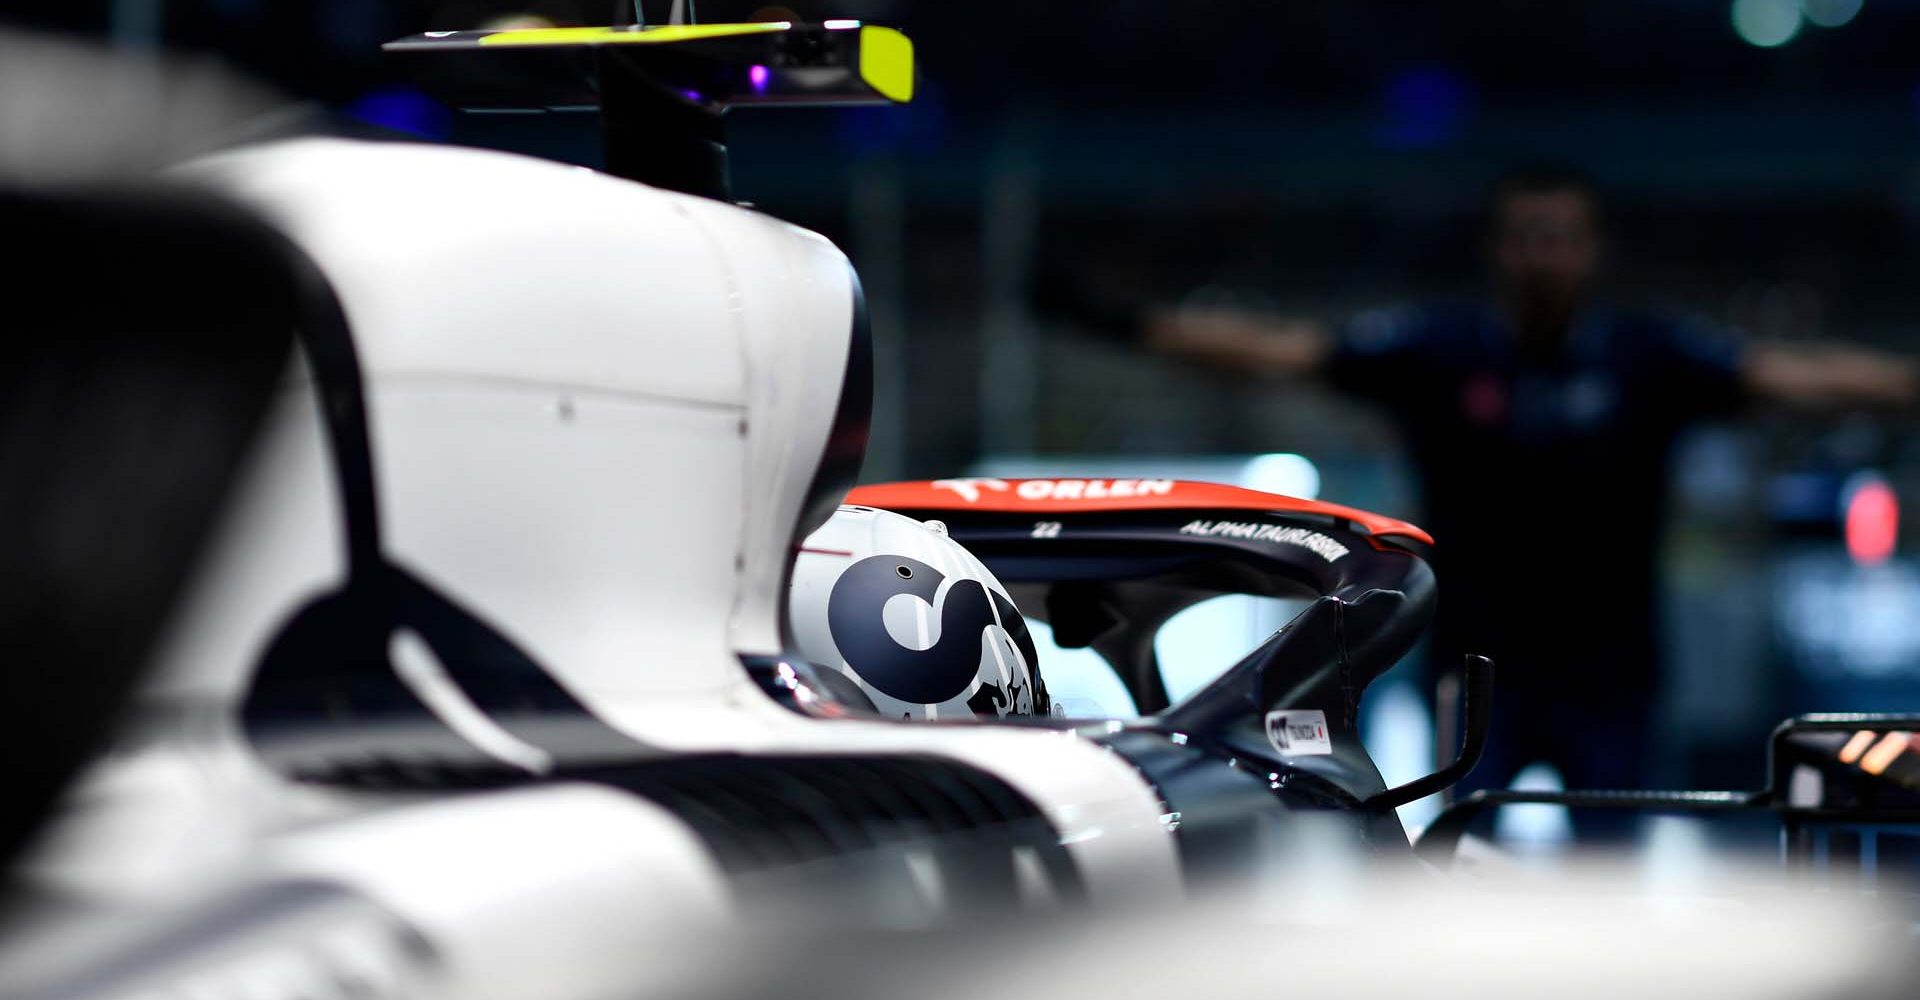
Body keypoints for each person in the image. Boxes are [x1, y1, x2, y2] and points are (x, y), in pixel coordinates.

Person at [1141, 166, 1918, 810]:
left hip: (1613, 678)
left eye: (1562, 238)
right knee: (1460, 862)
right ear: (1497, 252)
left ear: (1593, 251)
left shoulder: (1646, 359)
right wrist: (1138, 330)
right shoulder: (1438, 353)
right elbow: (1284, 355)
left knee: (1612, 872)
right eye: (1527, 238)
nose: (1544, 256)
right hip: (1476, 671)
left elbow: (1799, 375)